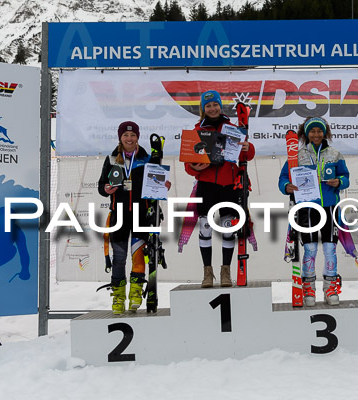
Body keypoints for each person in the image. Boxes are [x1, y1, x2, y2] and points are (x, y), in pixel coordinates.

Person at [184, 90, 255, 288]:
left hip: (229, 186)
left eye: (215, 105)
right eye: (208, 106)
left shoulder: (233, 128)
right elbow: (189, 165)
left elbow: (246, 156)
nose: (212, 109)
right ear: (203, 109)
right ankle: (208, 273)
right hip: (207, 186)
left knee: (227, 230)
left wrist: (249, 148)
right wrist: (194, 167)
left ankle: (226, 271)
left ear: (220, 106)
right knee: (205, 228)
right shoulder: (197, 130)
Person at [98, 121, 170, 314]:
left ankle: (136, 294)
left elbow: (156, 183)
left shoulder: (147, 159)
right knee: (119, 258)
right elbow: (101, 187)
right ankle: (118, 298)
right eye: (125, 136)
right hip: (119, 215)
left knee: (138, 257)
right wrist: (106, 189)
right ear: (120, 137)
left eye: (133, 135)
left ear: (137, 137)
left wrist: (164, 185)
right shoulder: (112, 159)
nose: (129, 139)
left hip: (141, 214)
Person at [278, 117, 350, 306]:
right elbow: (283, 178)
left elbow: (346, 177)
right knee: (310, 249)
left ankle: (330, 288)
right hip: (307, 207)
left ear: (325, 132)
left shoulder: (335, 154)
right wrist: (287, 186)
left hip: (330, 207)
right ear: (306, 133)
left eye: (320, 131)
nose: (316, 134)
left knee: (330, 249)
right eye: (312, 131)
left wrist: (339, 182)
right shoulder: (298, 155)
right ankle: (308, 289)